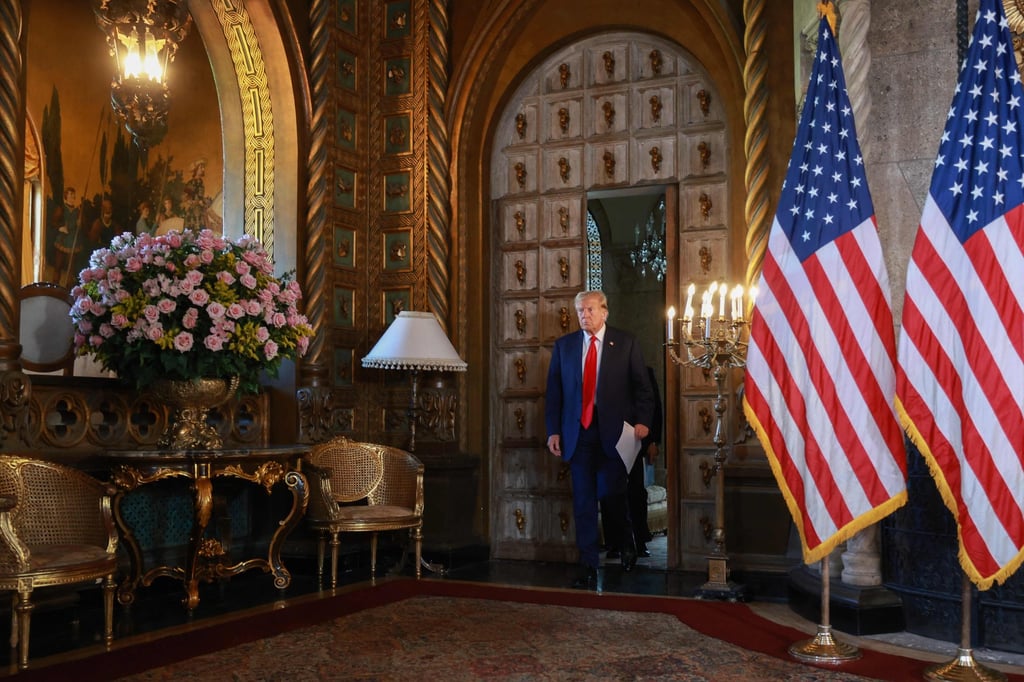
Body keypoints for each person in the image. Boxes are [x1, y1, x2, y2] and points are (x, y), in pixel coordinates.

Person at [546, 290, 654, 589]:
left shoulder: (625, 343)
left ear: (605, 312)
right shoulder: (565, 347)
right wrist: (553, 430)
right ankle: (589, 564)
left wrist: (643, 422)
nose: (585, 315)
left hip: (614, 434)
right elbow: (554, 392)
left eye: (590, 310)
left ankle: (626, 540)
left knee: (611, 494)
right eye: (581, 311)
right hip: (578, 434)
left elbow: (642, 389)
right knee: (583, 500)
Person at [603, 364, 662, 559]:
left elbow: (655, 406)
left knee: (636, 492)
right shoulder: (603, 368)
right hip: (608, 438)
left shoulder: (644, 371)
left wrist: (653, 440)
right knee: (609, 492)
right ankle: (613, 543)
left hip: (636, 439)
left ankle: (640, 540)